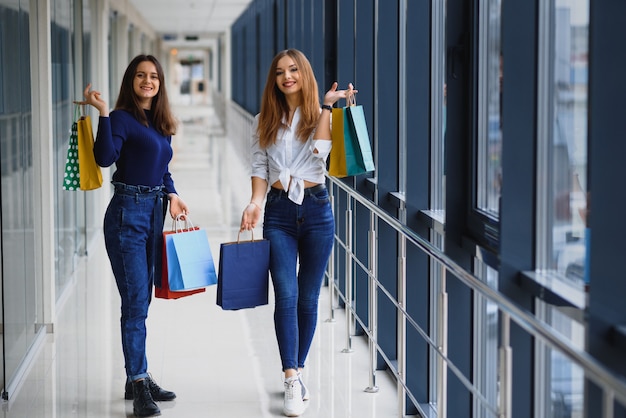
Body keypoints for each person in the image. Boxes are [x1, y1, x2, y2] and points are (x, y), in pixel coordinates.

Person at [240, 48, 355, 417]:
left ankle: (298, 369)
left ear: (304, 74)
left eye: (293, 70)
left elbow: (321, 153)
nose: (286, 76)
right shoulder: (263, 119)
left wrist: (326, 108)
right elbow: (259, 166)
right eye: (279, 72)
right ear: (273, 80)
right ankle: (290, 377)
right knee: (286, 295)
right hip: (277, 213)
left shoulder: (321, 116)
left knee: (308, 299)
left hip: (317, 209)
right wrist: (254, 203)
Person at [77, 54, 188, 417]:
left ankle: (134, 377)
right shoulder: (122, 118)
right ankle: (139, 383)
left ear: (160, 83)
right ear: (131, 80)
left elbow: (163, 166)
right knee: (136, 303)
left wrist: (172, 194)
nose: (148, 81)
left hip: (154, 212)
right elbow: (105, 157)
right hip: (127, 213)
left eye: (153, 76)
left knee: (142, 302)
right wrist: (104, 113)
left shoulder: (161, 122)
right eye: (141, 75)